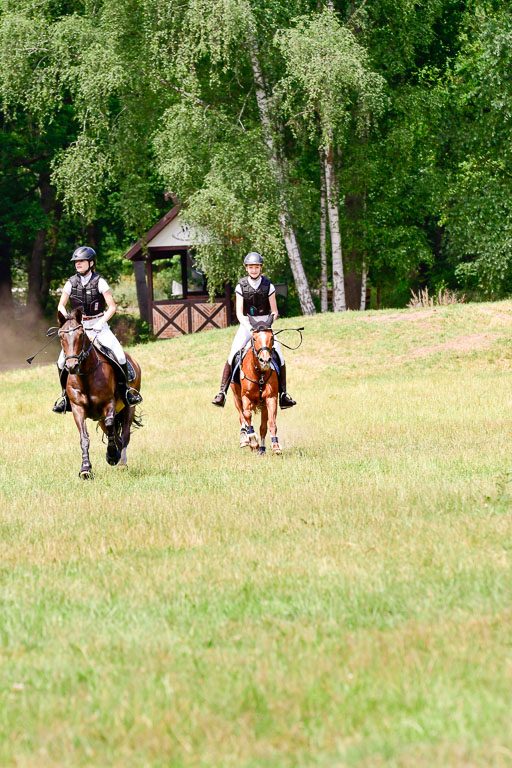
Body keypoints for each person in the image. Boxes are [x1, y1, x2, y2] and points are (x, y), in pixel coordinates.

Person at [52, 246, 143, 413]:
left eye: (81, 261)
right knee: (60, 361)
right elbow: (61, 305)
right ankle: (65, 397)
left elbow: (112, 307)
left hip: (98, 326)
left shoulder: (100, 282)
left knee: (120, 356)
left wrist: (101, 321)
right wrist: (68, 320)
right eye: (76, 262)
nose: (77, 264)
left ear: (91, 263)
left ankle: (126, 392)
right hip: (78, 329)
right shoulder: (70, 283)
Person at [211, 251, 296, 409]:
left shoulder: (268, 285)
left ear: (260, 268)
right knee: (232, 355)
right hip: (247, 325)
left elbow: (274, 311)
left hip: (265, 326)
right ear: (246, 268)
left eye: (256, 267)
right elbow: (239, 312)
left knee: (280, 356)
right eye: (251, 267)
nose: (254, 270)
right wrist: (250, 328)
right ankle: (222, 392)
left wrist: (268, 323)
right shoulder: (240, 286)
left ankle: (283, 394)